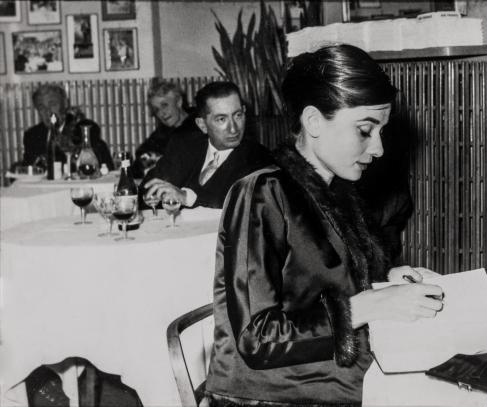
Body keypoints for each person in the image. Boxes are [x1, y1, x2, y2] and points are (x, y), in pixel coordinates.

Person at [204, 44, 444, 406]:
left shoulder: (337, 190)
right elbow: (257, 339)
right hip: (270, 396)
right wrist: (368, 306)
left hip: (327, 378)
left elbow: (318, 285)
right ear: (314, 121)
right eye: (365, 130)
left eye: (381, 131)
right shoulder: (261, 193)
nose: (378, 149)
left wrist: (386, 281)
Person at [142, 81, 272, 209]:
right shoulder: (184, 146)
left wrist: (186, 197)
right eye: (221, 119)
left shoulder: (260, 158)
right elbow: (148, 189)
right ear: (202, 125)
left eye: (238, 115)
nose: (233, 129)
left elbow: (240, 207)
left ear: (244, 112)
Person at [16, 84, 113, 171]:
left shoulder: (82, 129)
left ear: (65, 103)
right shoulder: (32, 135)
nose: (48, 111)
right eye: (41, 107)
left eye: (52, 104)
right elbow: (29, 169)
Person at [133, 80, 195, 177]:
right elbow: (140, 158)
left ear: (179, 102)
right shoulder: (162, 132)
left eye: (164, 105)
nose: (162, 113)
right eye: (156, 109)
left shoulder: (200, 123)